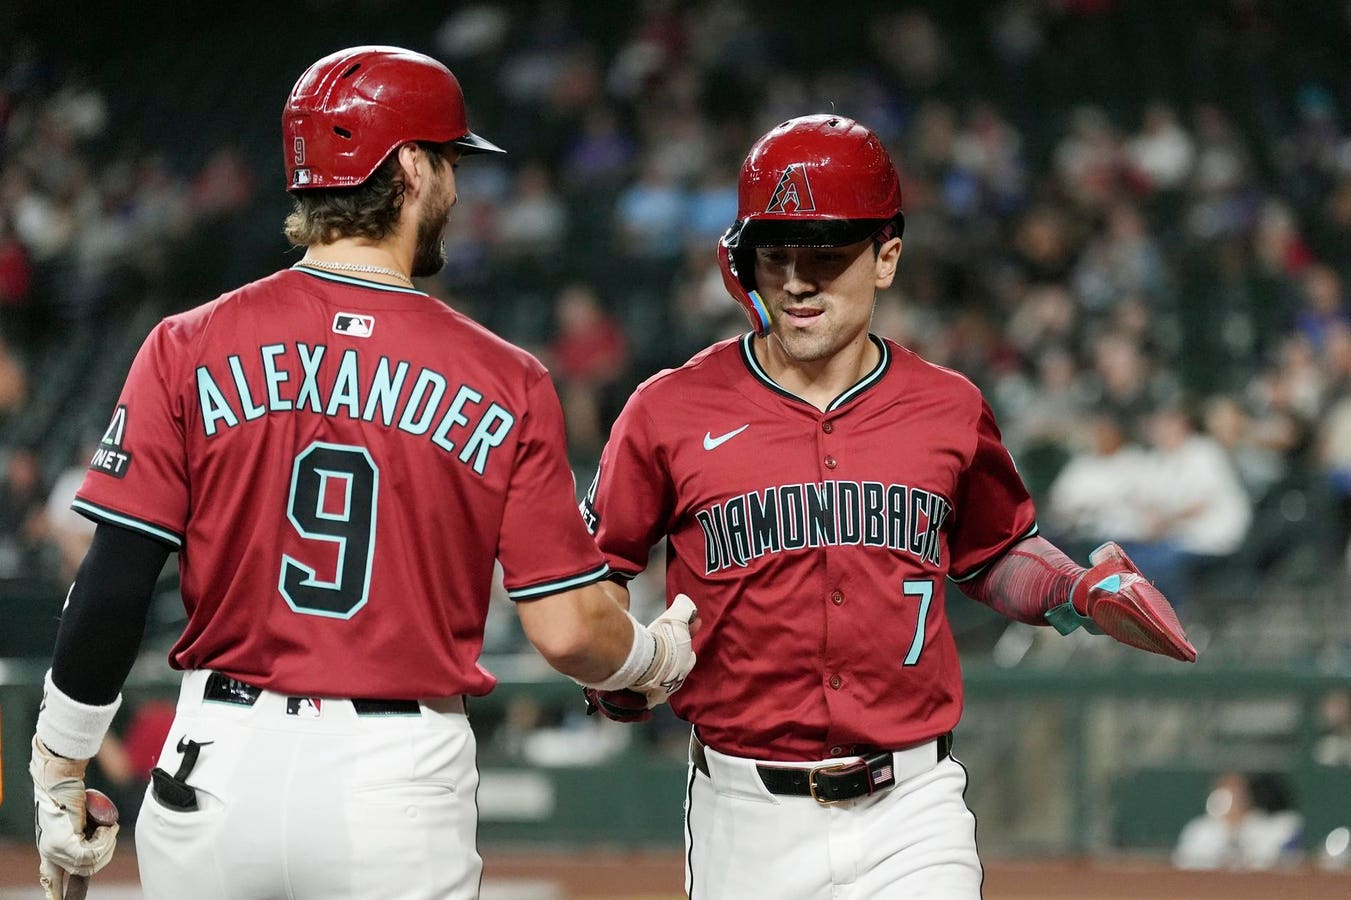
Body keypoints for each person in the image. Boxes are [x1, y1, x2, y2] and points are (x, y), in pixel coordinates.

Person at [28, 45, 697, 900]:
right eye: (449, 161)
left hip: (213, 768)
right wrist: (652, 656)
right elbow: (568, 633)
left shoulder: (186, 344)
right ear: (411, 168)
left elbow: (112, 584)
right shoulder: (505, 377)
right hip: (393, 778)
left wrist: (60, 764)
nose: (456, 184)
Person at [580, 114, 1195, 899]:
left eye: (826, 254)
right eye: (775, 254)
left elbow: (995, 551)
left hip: (911, 808)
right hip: (744, 814)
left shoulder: (948, 407)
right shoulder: (666, 409)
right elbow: (593, 577)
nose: (796, 281)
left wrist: (1071, 590)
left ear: (886, 257)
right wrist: (620, 662)